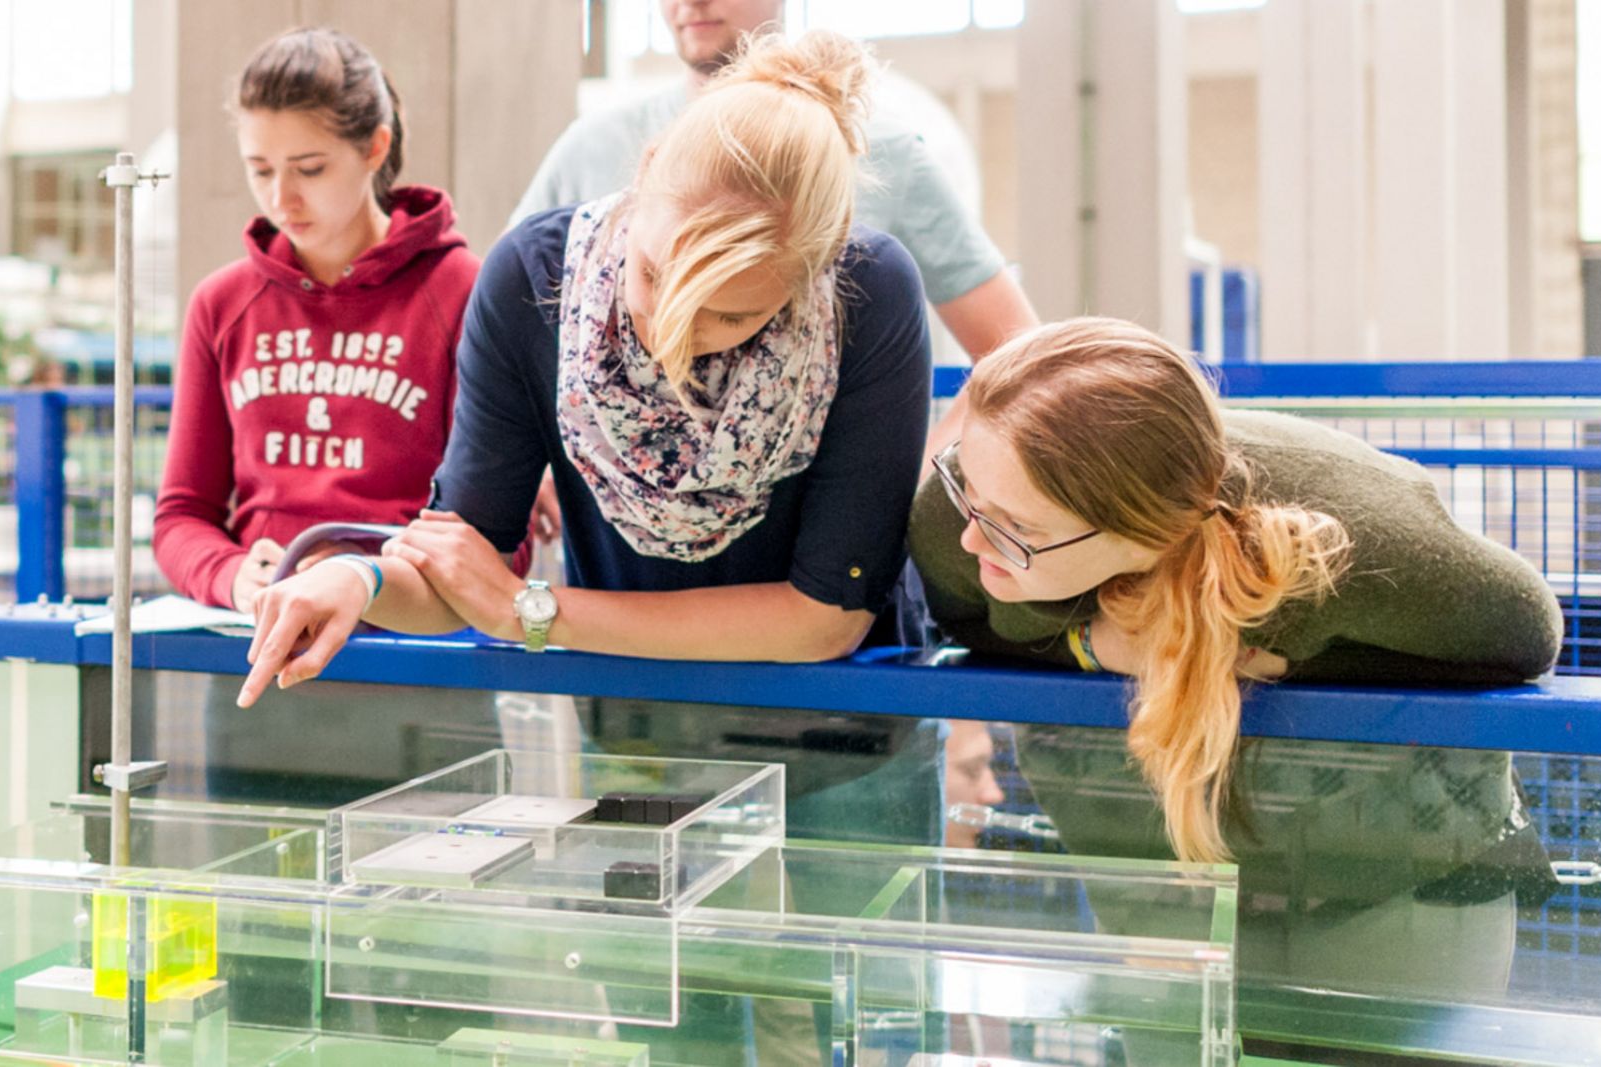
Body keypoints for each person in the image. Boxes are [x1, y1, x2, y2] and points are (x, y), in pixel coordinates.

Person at [243, 28, 928, 703]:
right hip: (628, 727)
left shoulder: (868, 294)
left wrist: (531, 612)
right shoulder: (530, 280)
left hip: (842, 733)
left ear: (815, 271)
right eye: (655, 276)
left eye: (730, 317)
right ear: (645, 172)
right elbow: (461, 573)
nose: (671, 337)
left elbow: (824, 618)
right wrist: (359, 581)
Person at [909, 317, 1563, 1017]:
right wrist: (1098, 642)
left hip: (1402, 877)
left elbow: (1525, 632)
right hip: (1162, 890)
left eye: (1017, 529)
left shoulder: (1350, 533)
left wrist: (1287, 649)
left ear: (1138, 533)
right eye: (966, 487)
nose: (973, 532)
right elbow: (971, 623)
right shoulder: (967, 508)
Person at [516, 0, 1036, 450]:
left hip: (820, 535)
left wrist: (916, 482)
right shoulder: (592, 145)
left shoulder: (881, 156)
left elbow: (1017, 352)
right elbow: (503, 324)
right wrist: (531, 452)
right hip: (602, 533)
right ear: (649, 163)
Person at [154, 27, 483, 613]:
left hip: (414, 648)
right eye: (260, 170)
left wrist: (363, 578)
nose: (282, 199)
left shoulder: (463, 292)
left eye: (309, 169)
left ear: (375, 148)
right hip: (257, 649)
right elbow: (181, 517)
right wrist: (230, 575)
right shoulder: (221, 304)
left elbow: (495, 540)